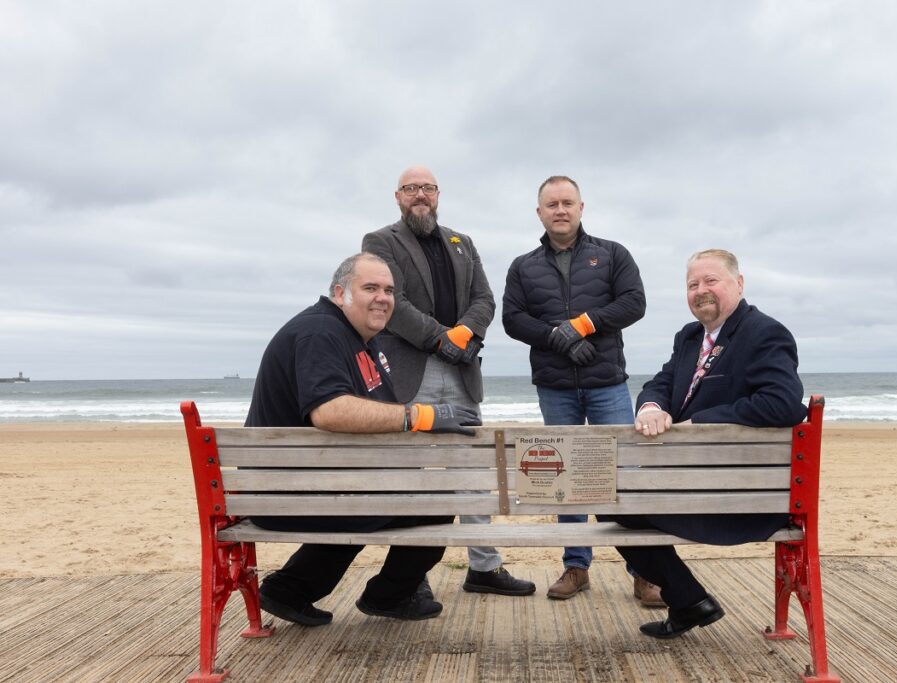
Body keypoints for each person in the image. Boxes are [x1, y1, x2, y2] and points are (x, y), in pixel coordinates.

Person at [247, 253, 482, 626]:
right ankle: (390, 595)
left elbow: (379, 412)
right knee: (435, 500)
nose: (382, 298)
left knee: (396, 493)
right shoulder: (321, 332)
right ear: (340, 293)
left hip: (302, 482)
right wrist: (421, 416)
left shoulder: (358, 338)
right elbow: (330, 411)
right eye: (370, 288)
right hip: (285, 492)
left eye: (389, 290)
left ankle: (289, 590)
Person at [605, 248, 808, 639]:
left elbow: (783, 403)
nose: (701, 290)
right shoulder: (689, 337)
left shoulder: (764, 332)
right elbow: (660, 383)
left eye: (711, 280)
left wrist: (696, 423)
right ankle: (690, 602)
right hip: (697, 487)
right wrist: (650, 407)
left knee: (613, 506)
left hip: (742, 501)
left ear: (739, 283)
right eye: (693, 284)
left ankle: (688, 601)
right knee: (611, 501)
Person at [361, 166, 535, 598]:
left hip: (461, 371)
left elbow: (485, 299)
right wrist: (442, 339)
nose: (420, 195)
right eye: (411, 188)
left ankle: (484, 568)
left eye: (428, 188)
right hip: (410, 372)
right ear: (397, 196)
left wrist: (463, 336)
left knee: (474, 474)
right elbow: (392, 305)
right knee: (414, 478)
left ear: (438, 195)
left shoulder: (463, 243)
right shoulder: (381, 242)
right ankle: (410, 577)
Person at [502, 175, 658, 604]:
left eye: (567, 202)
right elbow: (513, 319)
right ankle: (576, 566)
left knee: (624, 475)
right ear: (540, 212)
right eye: (551, 204)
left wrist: (584, 326)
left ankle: (644, 570)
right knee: (564, 476)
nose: (560, 210)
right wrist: (557, 338)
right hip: (555, 386)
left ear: (581, 207)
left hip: (607, 381)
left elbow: (633, 303)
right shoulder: (523, 265)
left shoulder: (612, 254)